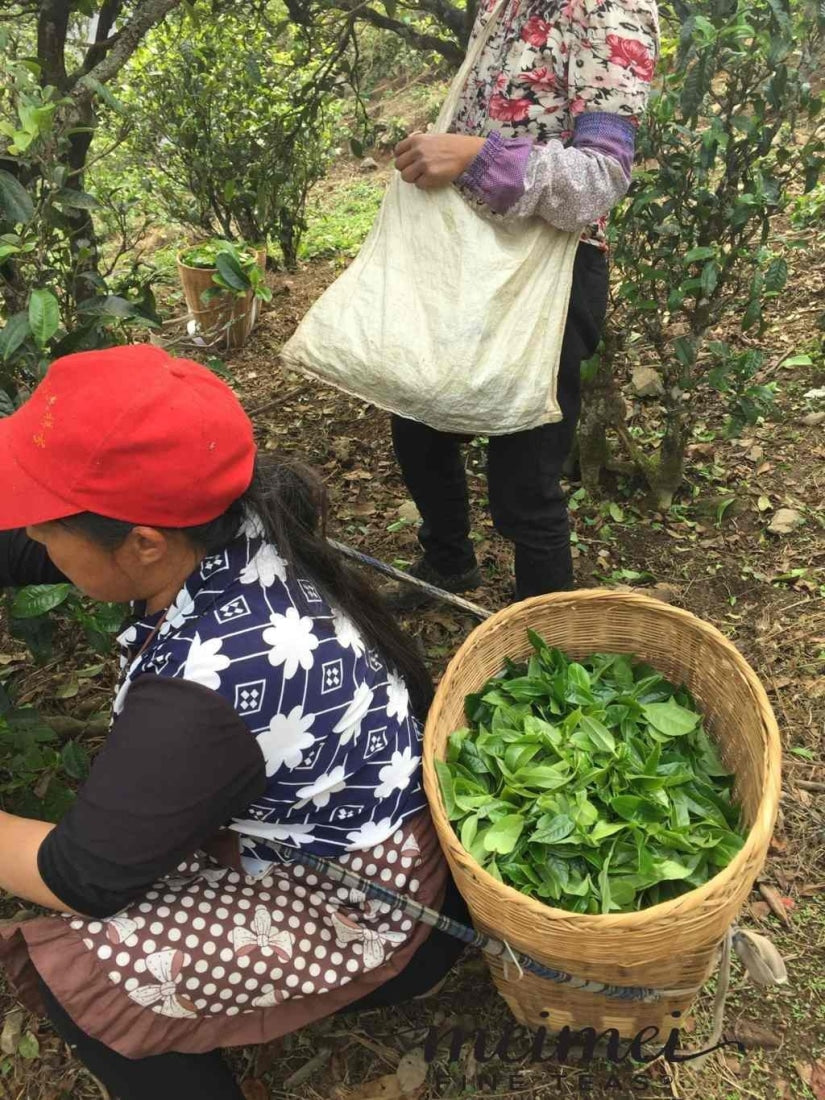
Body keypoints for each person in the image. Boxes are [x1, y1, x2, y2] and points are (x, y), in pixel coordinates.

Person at [0, 346, 468, 1100]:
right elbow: (30, 545)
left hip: (369, 907)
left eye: (50, 527)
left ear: (142, 544)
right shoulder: (228, 515)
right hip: (375, 823)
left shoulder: (203, 693)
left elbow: (81, 877)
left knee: (85, 974)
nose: (37, 538)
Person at [389, 0, 660, 604]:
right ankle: (449, 563)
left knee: (525, 477)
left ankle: (543, 647)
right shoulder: (499, 7)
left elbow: (601, 179)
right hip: (469, 258)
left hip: (548, 277)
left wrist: (472, 156)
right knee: (416, 416)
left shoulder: (610, 13)